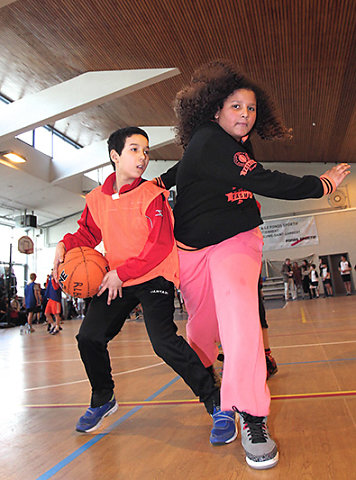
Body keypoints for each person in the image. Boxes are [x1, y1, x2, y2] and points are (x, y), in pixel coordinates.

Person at [164, 60, 349, 469]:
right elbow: (191, 171)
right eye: (236, 107)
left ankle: (249, 414)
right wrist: (147, 188)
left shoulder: (230, 144)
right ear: (214, 110)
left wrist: (320, 186)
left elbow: (256, 179)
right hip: (191, 248)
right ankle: (218, 397)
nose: (246, 114)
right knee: (201, 330)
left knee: (241, 322)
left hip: (236, 238)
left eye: (251, 108)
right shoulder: (209, 141)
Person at [53, 126, 220, 434]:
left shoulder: (152, 195)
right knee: (88, 337)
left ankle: (215, 400)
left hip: (152, 275)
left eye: (145, 151)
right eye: (134, 149)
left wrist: (121, 273)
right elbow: (87, 234)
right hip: (117, 278)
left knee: (163, 342)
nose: (143, 157)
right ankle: (103, 397)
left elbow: (158, 246)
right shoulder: (95, 199)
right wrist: (65, 244)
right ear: (115, 156)